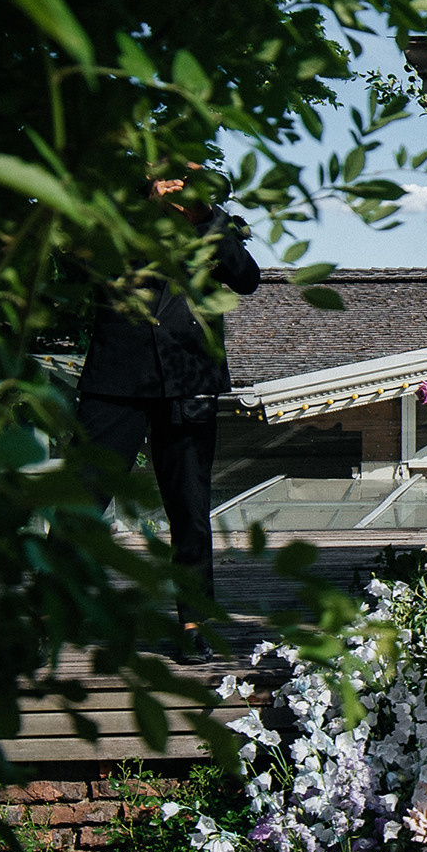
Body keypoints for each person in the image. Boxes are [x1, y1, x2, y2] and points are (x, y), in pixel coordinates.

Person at [75, 173, 262, 660]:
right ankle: (54, 615)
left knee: (190, 507)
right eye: (174, 179)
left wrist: (205, 221)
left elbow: (247, 278)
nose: (182, 189)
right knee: (83, 498)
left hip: (187, 377)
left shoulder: (214, 225)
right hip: (116, 379)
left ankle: (193, 622)